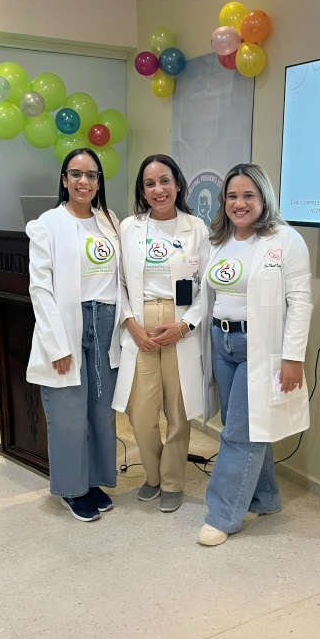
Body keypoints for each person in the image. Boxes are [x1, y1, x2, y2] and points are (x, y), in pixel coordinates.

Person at [199, 163, 313, 545]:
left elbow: (300, 302)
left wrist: (293, 357)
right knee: (244, 424)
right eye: (232, 196)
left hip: (259, 347)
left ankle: (223, 514)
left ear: (264, 198)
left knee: (239, 432)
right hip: (221, 342)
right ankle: (265, 498)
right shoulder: (218, 239)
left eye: (248, 195)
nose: (239, 203)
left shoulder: (286, 240)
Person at [26, 148, 122, 522]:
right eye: (76, 174)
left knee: (101, 410)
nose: (84, 181)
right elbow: (40, 288)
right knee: (68, 413)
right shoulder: (47, 224)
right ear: (64, 179)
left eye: (92, 175)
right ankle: (71, 488)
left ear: (99, 182)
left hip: (105, 322)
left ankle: (93, 480)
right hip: (68, 323)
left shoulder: (110, 221)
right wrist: (56, 344)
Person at [113, 155, 210, 512]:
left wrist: (184, 326)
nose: (158, 190)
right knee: (141, 413)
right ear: (142, 191)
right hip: (140, 323)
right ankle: (153, 475)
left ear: (178, 184)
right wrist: (130, 324)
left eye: (164, 181)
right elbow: (117, 283)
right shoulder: (129, 227)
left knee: (179, 413)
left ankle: (172, 481)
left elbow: (207, 287)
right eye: (150, 184)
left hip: (179, 325)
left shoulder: (196, 229)